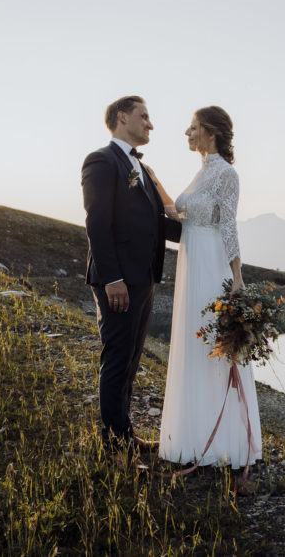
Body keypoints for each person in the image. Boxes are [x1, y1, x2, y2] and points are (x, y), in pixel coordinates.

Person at [148, 106, 262, 471]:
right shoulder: (201, 172)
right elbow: (179, 213)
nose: (187, 132)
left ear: (211, 133)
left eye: (193, 127)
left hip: (211, 264)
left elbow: (228, 225)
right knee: (192, 344)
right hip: (191, 259)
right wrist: (154, 181)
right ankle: (191, 435)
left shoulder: (226, 174)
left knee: (211, 344)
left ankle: (224, 441)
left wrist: (237, 277)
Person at [81, 95, 180, 467]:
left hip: (143, 279)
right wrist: (113, 279)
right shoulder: (101, 161)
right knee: (116, 360)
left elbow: (158, 224)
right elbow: (97, 222)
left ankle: (124, 433)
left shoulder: (142, 169)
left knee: (131, 360)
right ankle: (113, 449)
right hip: (119, 281)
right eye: (144, 116)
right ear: (122, 117)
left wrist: (205, 234)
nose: (150, 124)